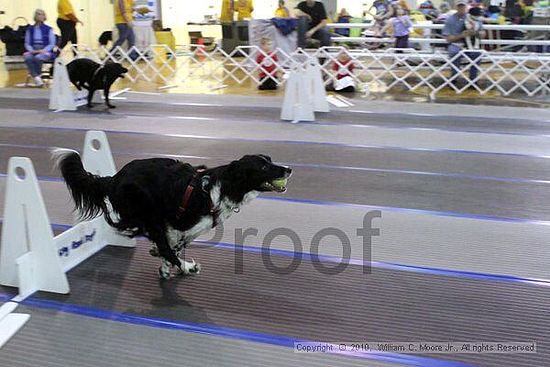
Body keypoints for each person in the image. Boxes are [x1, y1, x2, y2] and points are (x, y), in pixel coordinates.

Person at [443, 0, 486, 85]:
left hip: (472, 44)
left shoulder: (473, 17)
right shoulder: (450, 20)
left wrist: (476, 33)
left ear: (466, 7)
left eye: (463, 6)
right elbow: (448, 39)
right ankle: (454, 78)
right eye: (459, 6)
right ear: (456, 7)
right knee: (454, 52)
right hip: (456, 43)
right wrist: (462, 35)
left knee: (477, 54)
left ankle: (473, 79)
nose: (461, 8)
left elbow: (483, 34)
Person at [24, 9, 56, 87]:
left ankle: (36, 77)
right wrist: (31, 50)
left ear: (44, 16)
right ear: (35, 16)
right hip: (33, 49)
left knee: (38, 58)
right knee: (28, 57)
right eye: (38, 14)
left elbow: (52, 44)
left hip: (45, 50)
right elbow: (27, 43)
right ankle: (37, 77)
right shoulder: (30, 29)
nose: (40, 16)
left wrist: (43, 50)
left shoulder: (49, 29)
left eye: (42, 14)